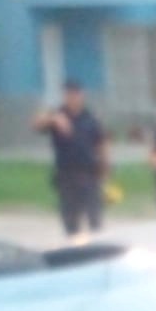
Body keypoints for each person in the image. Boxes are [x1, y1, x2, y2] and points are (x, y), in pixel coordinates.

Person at [33, 79, 109, 241]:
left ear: (82, 95)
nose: (72, 98)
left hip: (89, 174)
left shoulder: (90, 117)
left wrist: (105, 168)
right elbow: (36, 124)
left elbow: (101, 144)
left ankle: (96, 249)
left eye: (75, 94)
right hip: (66, 175)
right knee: (70, 222)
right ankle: (75, 248)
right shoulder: (57, 115)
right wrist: (53, 119)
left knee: (95, 219)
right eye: (68, 94)